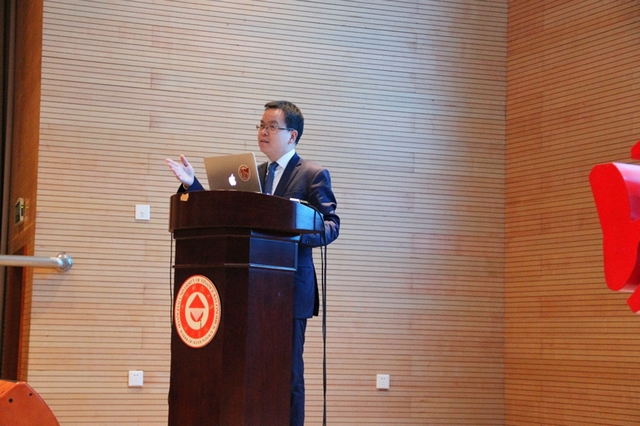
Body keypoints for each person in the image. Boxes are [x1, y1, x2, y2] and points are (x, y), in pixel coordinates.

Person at [166, 100, 340, 426]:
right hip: (248, 289)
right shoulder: (253, 175)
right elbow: (226, 215)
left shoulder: (312, 174)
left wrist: (290, 231)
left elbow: (330, 226)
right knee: (246, 370)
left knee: (287, 374)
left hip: (289, 290)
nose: (263, 132)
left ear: (292, 135)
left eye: (272, 126)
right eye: (261, 125)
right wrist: (193, 185)